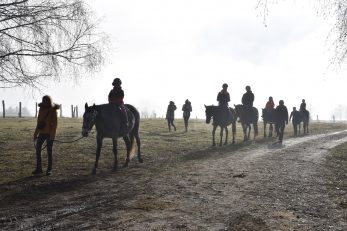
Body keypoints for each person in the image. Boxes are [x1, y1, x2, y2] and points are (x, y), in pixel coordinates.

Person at [33, 95, 60, 176]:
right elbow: (39, 122)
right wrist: (35, 134)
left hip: (49, 134)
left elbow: (55, 124)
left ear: (49, 101)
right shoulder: (41, 109)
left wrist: (52, 136)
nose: (44, 102)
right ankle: (39, 168)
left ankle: (49, 169)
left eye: (46, 101)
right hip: (41, 133)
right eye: (43, 100)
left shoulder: (53, 110)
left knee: (49, 151)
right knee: (38, 150)